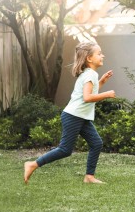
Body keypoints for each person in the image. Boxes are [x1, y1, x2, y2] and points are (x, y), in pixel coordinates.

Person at [24, 41, 115, 184]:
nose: (102, 55)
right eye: (99, 53)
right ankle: (33, 164)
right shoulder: (90, 74)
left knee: (96, 143)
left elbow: (89, 93)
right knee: (65, 149)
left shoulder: (89, 74)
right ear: (89, 58)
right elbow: (87, 98)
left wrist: (102, 81)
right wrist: (107, 94)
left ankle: (89, 177)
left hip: (80, 116)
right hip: (74, 116)